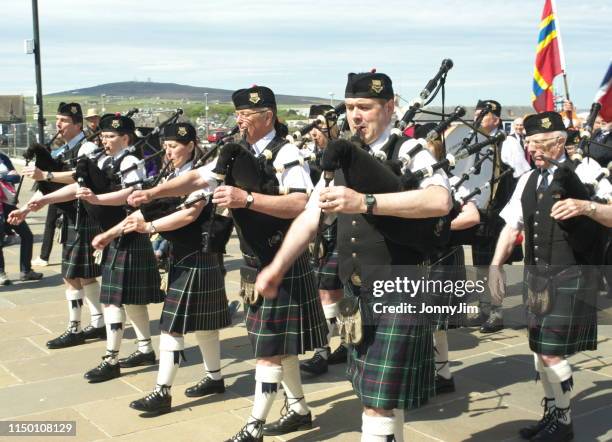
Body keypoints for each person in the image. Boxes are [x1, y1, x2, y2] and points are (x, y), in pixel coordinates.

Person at [255, 71, 451, 442]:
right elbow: (310, 216)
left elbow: (440, 200)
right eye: (349, 107)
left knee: (379, 400)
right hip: (358, 293)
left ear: (390, 107)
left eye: (365, 107)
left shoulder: (408, 150)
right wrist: (277, 266)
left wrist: (365, 202)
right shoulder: (341, 161)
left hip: (400, 287)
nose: (355, 115)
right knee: (375, 396)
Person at [129, 86, 327, 441]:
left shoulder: (286, 152)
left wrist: (246, 198)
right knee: (280, 347)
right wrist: (154, 192)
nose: (240, 121)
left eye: (247, 115)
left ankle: (254, 427)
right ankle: (298, 408)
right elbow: (196, 178)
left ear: (268, 116)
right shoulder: (236, 152)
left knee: (268, 350)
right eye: (237, 114)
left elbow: (301, 203)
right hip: (255, 260)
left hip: (283, 259)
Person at [488, 111, 608, 442]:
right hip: (537, 278)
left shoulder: (587, 171)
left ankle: (564, 421)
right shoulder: (528, 179)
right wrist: (496, 264)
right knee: (539, 350)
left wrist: (588, 207)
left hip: (572, 274)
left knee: (551, 352)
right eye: (530, 144)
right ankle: (554, 411)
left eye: (541, 143)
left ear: (559, 141)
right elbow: (513, 225)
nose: (535, 150)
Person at [123, 122, 231, 414]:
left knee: (172, 327)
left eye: (174, 146)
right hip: (185, 254)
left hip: (197, 253)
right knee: (205, 327)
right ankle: (215, 378)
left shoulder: (206, 174)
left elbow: (189, 214)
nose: (168, 152)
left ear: (191, 145)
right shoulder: (172, 174)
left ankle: (162, 392)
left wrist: (150, 227)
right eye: (166, 146)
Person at [75, 114, 163, 382]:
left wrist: (97, 198)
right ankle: (145, 349)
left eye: (112, 136)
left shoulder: (130, 161)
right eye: (103, 136)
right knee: (128, 300)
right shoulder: (103, 160)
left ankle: (111, 359)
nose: (106, 140)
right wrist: (42, 201)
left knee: (113, 300)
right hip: (115, 234)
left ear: (126, 138)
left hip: (129, 233)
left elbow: (132, 194)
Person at [9, 102, 104, 347]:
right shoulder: (62, 151)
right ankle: (98, 323)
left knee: (71, 276)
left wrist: (47, 175)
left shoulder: (89, 147)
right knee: (83, 276)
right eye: (58, 121)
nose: (58, 126)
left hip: (85, 217)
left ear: (78, 124)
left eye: (63, 122)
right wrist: (24, 210)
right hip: (72, 217)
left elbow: (79, 178)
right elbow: (46, 186)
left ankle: (75, 328)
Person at [467, 99, 530, 333]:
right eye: (477, 113)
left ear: (496, 118)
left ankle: (496, 312)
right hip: (479, 211)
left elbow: (524, 174)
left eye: (483, 114)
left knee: (495, 264)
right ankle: (484, 308)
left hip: (498, 214)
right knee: (480, 264)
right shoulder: (475, 141)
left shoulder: (508, 143)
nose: (478, 118)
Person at [300, 104, 348, 377]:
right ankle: (340, 343)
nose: (314, 133)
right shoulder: (312, 153)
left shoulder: (346, 149)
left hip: (344, 226)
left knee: (330, 289)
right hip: (322, 228)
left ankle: (322, 351)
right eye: (312, 127)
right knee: (328, 289)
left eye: (319, 126)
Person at [0, 152, 42, 285]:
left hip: (8, 204)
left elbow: (16, 177)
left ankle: (26, 271)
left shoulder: (3, 157)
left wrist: (3, 177)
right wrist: (5, 176)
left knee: (27, 235)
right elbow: (10, 176)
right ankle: (1, 273)